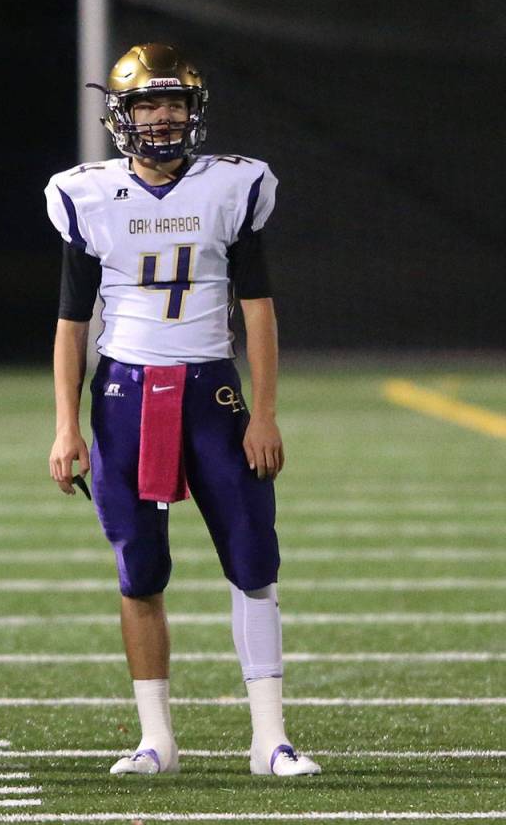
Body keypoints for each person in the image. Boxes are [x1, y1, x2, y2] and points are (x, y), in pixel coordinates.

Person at [45, 43, 320, 778]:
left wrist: (264, 411)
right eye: (146, 104)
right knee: (139, 569)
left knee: (253, 559)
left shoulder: (232, 186)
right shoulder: (88, 194)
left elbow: (257, 311)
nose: (162, 117)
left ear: (194, 112)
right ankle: (155, 738)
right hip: (124, 394)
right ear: (121, 115)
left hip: (212, 391)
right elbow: (74, 321)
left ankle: (271, 739)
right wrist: (66, 424)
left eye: (173, 104)